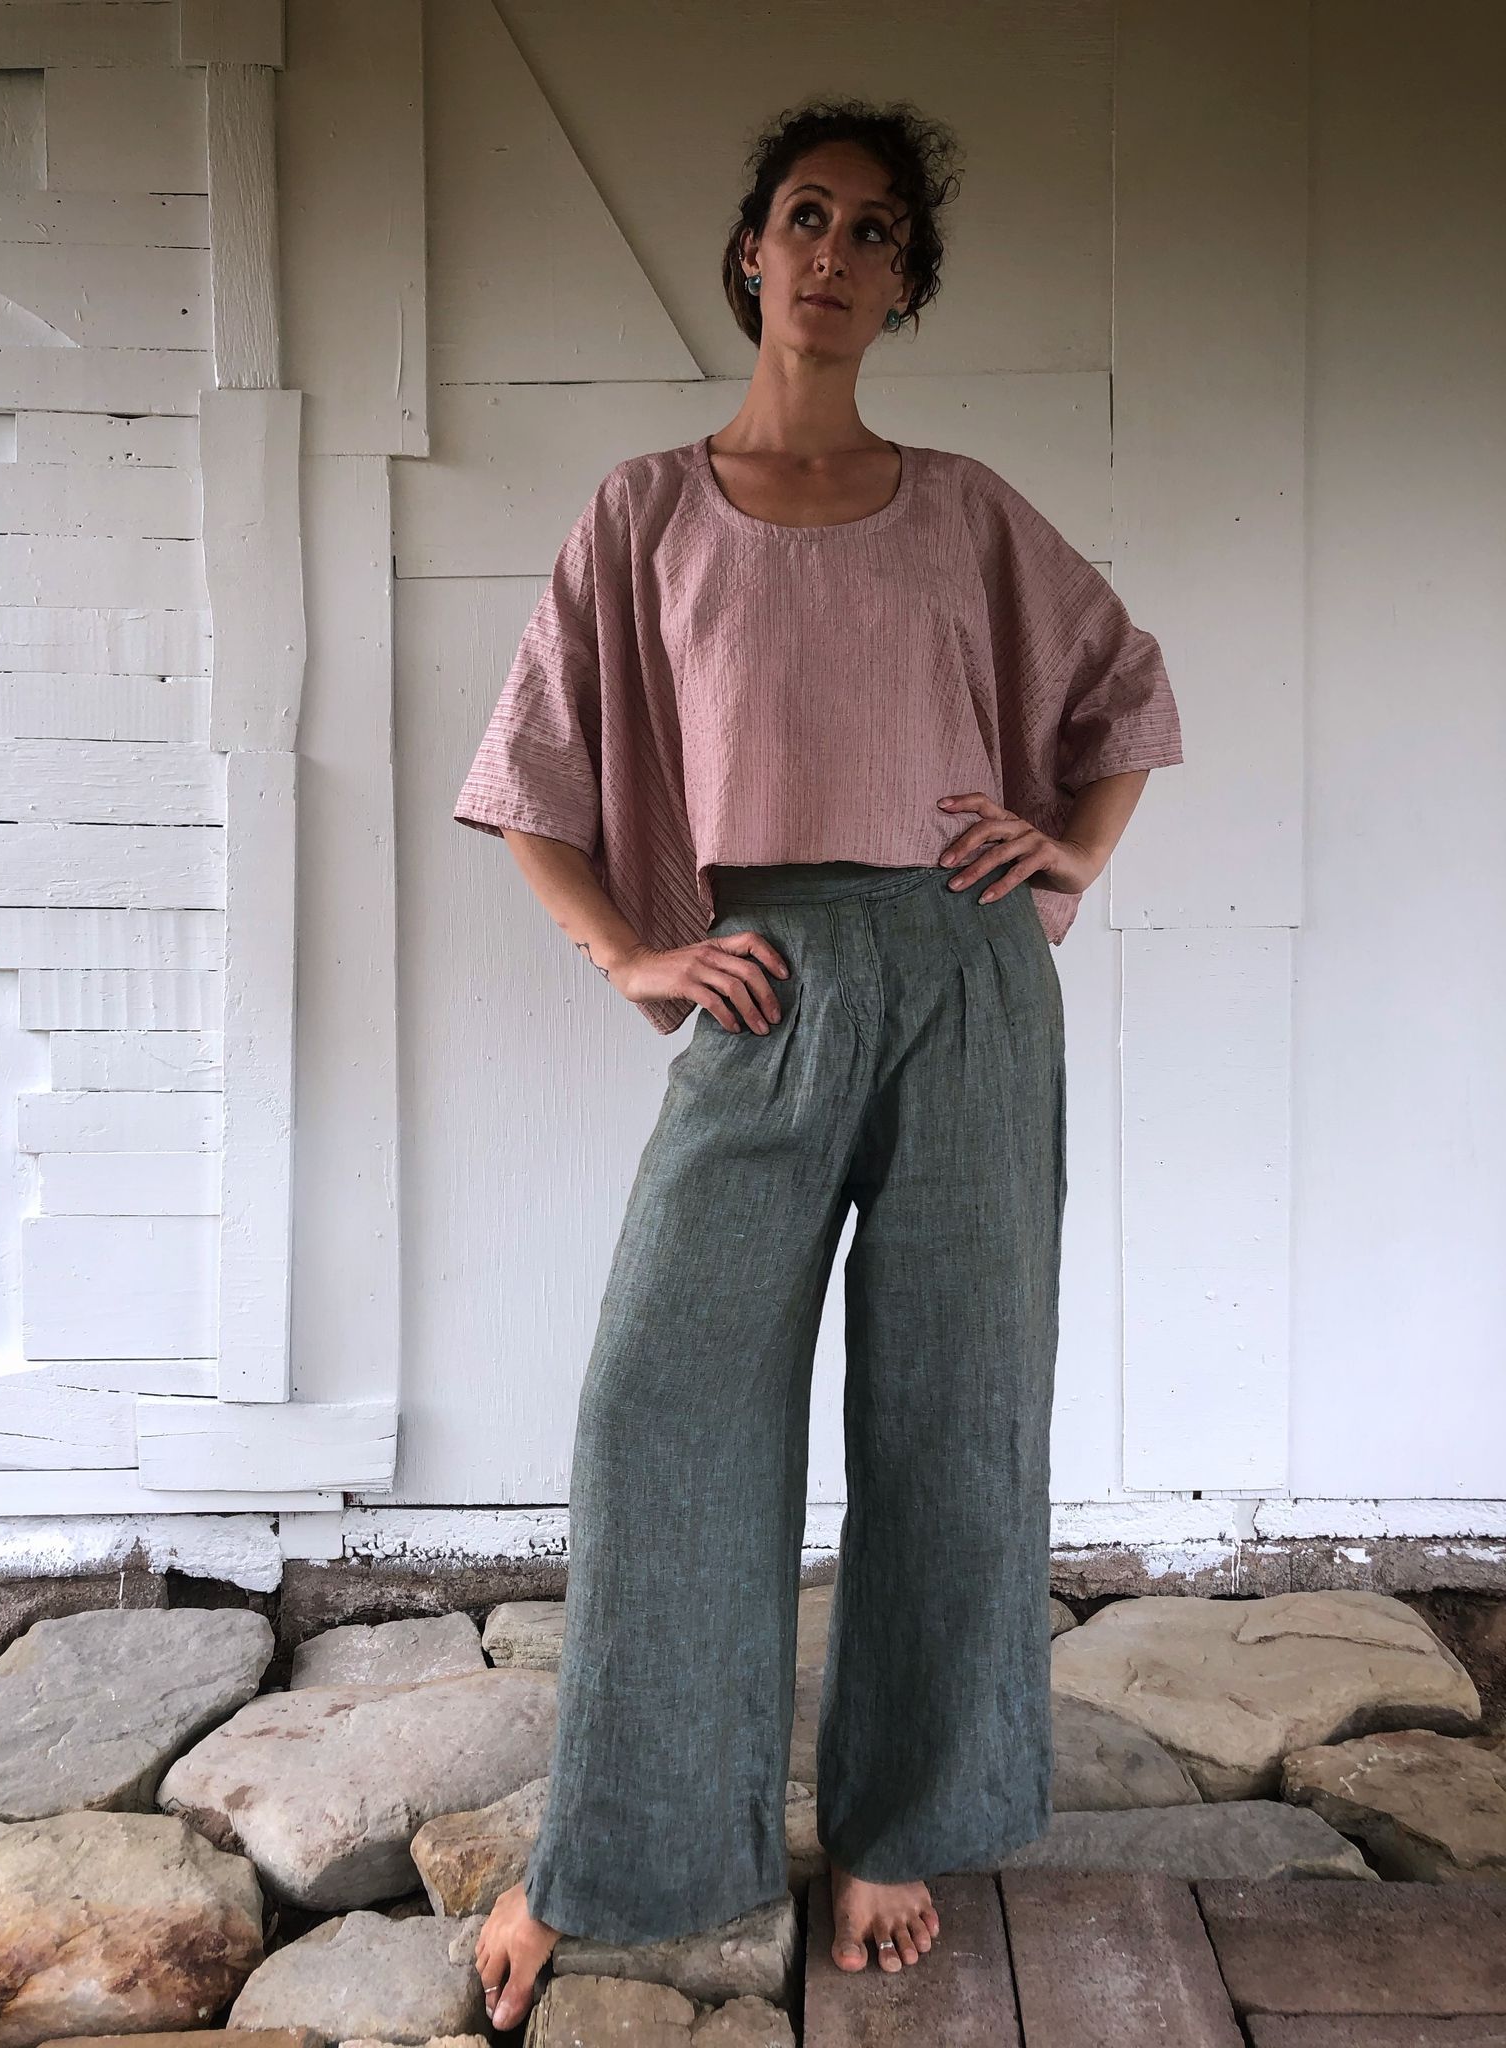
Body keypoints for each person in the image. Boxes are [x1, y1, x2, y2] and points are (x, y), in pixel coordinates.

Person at [458, 96, 1183, 2034]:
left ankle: (891, 1824)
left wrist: (1077, 848)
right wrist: (633, 948)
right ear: (750, 254)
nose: (839, 256)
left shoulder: (961, 507)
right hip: (762, 980)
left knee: (950, 1412)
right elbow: (531, 778)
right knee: (656, 1409)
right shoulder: (641, 508)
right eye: (809, 218)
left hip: (961, 977)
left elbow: (1122, 689)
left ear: (902, 288)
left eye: (878, 235)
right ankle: (616, 1848)